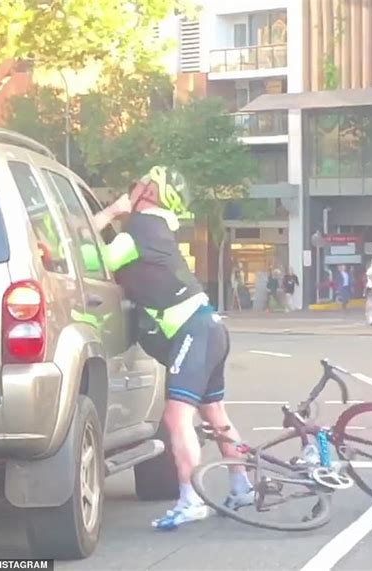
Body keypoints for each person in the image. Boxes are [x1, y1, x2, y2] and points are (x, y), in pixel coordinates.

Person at [93, 166, 252, 530]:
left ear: (150, 194)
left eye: (142, 183)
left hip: (190, 330)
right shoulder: (157, 228)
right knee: (216, 416)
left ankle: (191, 499)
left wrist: (111, 213)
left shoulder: (141, 227)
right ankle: (242, 487)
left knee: (176, 418)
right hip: (209, 324)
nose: (135, 186)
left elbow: (96, 259)